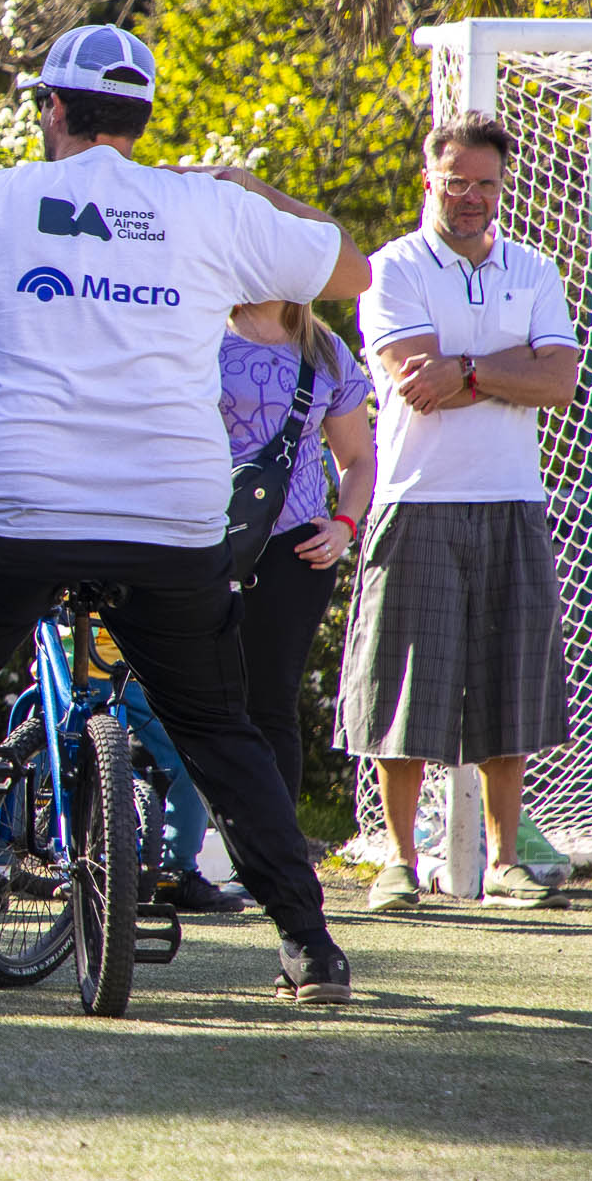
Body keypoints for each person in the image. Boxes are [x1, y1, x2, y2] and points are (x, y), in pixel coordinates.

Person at [0, 22, 369, 1011]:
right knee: (219, 725)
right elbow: (353, 272)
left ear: (51, 108)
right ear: (141, 117)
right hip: (168, 521)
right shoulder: (202, 206)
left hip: (9, 513)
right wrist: (251, 192)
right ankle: (312, 952)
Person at [340, 115, 580, 912]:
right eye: (457, 182)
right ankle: (401, 864)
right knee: (406, 691)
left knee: (509, 686)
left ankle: (507, 863)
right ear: (428, 181)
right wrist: (505, 368)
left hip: (513, 498)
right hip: (418, 500)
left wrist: (468, 369)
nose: (472, 197)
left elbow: (558, 381)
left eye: (486, 183)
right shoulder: (391, 269)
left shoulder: (534, 269)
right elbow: (415, 379)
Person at [198, 298, 380, 909]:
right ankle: (183, 857)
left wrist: (344, 525)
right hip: (199, 538)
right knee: (193, 700)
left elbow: (357, 460)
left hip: (294, 549)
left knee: (270, 705)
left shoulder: (326, 350)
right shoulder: (196, 328)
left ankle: (273, 867)